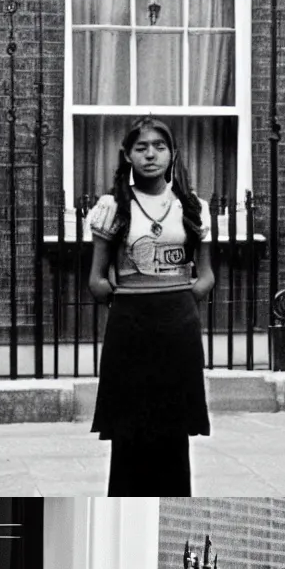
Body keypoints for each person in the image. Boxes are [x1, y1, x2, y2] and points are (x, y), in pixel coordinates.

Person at [87, 117, 215, 496]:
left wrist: (180, 298)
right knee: (129, 430)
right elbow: (96, 279)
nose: (150, 155)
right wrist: (125, 299)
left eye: (159, 146)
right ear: (128, 155)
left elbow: (206, 275)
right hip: (131, 328)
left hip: (178, 329)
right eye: (141, 147)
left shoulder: (193, 207)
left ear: (172, 153)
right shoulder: (112, 207)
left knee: (174, 430)